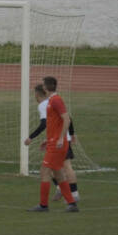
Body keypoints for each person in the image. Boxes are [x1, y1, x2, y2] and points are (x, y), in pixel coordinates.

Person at [27, 77, 79, 212]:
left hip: (57, 144)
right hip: (53, 142)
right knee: (58, 173)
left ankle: (43, 205)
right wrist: (48, 139)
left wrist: (61, 138)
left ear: (45, 87)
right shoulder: (51, 101)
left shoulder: (56, 100)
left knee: (44, 171)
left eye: (43, 84)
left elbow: (66, 119)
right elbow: (55, 123)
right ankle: (72, 203)